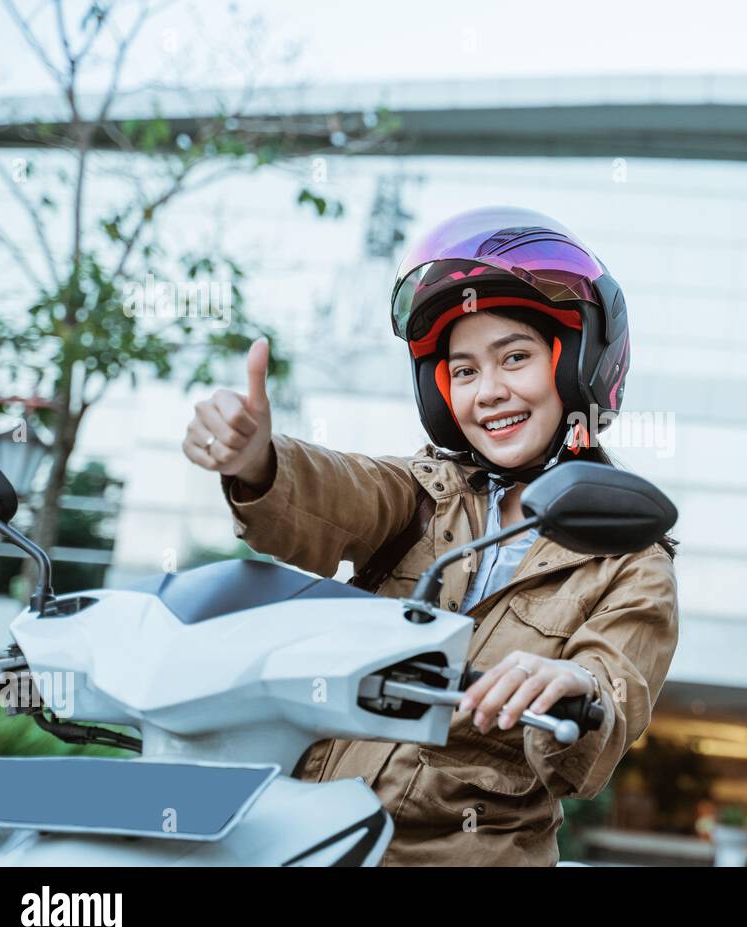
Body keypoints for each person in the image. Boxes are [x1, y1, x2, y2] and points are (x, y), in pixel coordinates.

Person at [181, 206, 679, 866]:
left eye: (517, 358)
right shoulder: (422, 494)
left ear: (577, 365)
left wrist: (570, 684)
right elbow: (338, 491)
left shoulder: (630, 560)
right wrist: (257, 460)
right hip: (309, 840)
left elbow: (607, 706)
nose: (489, 391)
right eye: (465, 371)